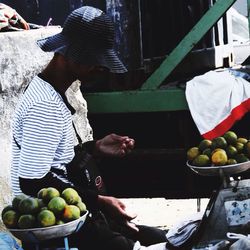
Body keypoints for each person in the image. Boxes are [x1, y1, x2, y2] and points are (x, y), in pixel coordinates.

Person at [11, 6, 168, 250]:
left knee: (160, 238)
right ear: (71, 55)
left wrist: (94, 147)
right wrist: (100, 201)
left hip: (77, 213)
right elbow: (32, 180)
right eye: (95, 60)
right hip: (57, 224)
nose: (101, 68)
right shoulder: (43, 105)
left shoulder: (53, 92)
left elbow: (54, 159)